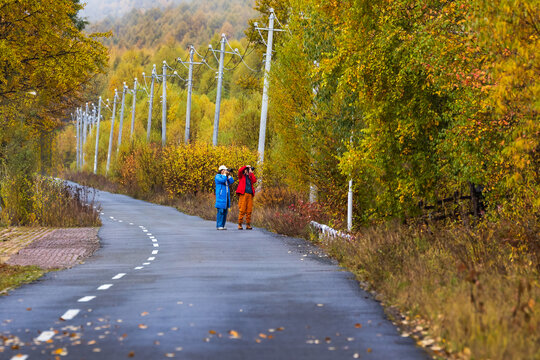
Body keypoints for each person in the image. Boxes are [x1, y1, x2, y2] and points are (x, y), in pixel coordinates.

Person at [236, 165, 257, 230]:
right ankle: (240, 224)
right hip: (243, 194)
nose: (248, 170)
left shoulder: (250, 177)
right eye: (247, 169)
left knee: (249, 210)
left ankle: (248, 225)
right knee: (242, 209)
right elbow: (239, 171)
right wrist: (245, 166)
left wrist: (251, 172)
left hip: (250, 194)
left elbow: (254, 180)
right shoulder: (241, 176)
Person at [215, 165, 234, 230]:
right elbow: (222, 180)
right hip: (220, 197)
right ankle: (219, 225)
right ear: (222, 170)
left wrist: (228, 175)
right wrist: (225, 175)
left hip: (226, 197)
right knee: (221, 211)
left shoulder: (225, 177)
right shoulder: (218, 176)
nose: (226, 171)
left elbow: (232, 181)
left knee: (225, 212)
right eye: (225, 170)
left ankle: (222, 225)